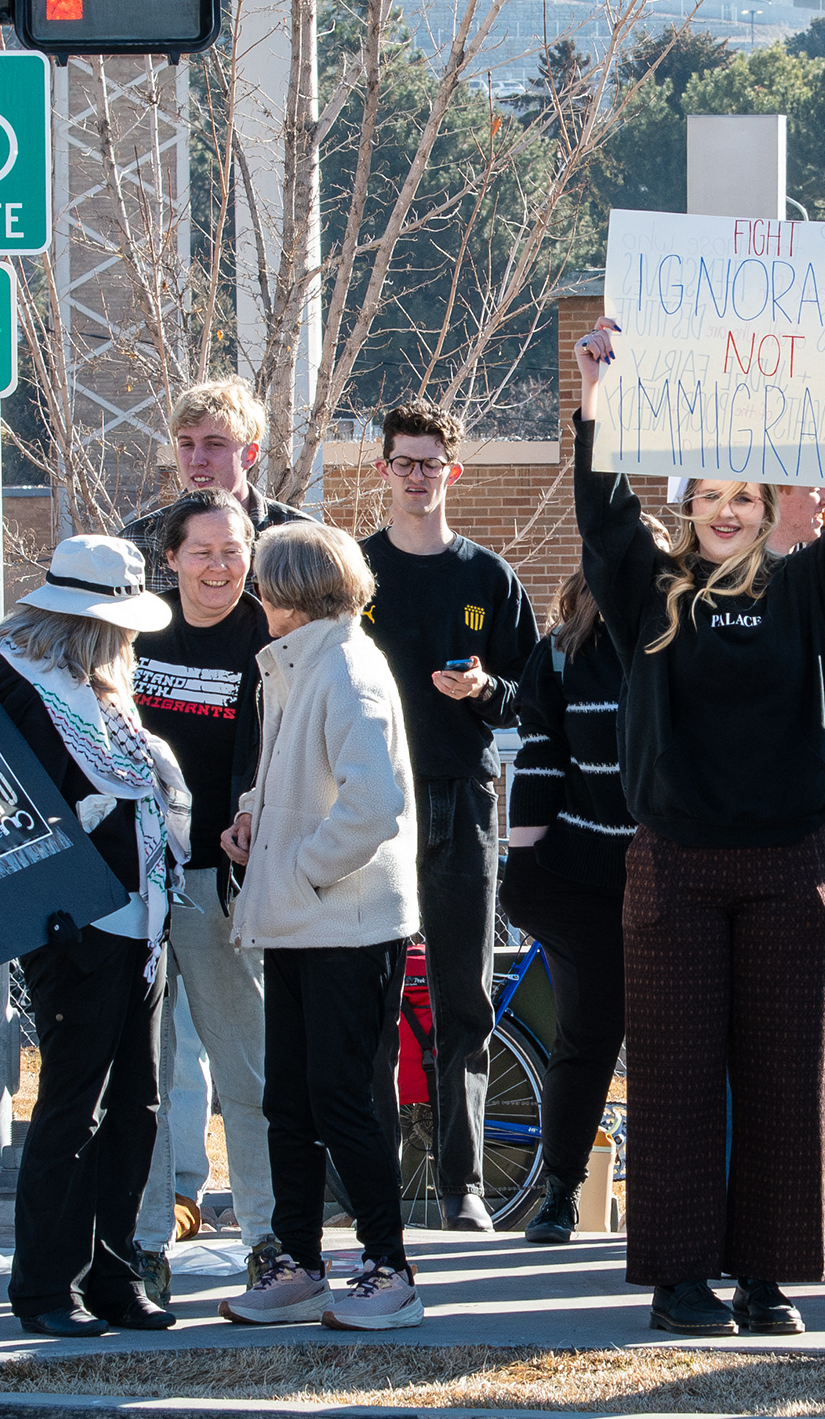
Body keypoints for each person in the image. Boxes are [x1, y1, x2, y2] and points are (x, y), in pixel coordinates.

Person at [575, 317, 825, 1337]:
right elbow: (602, 513)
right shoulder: (648, 594)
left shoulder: (809, 591)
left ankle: (767, 1277)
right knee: (676, 1075)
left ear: (766, 506)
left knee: (790, 1080)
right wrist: (595, 401)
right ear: (690, 509)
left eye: (746, 496)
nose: (731, 511)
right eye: (712, 497)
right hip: (675, 869)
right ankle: (679, 1280)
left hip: (792, 867)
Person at [219, 522, 428, 1331]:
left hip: (343, 922)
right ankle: (301, 1266)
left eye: (262, 580)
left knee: (341, 1101)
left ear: (286, 591)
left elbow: (375, 802)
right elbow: (297, 778)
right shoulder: (305, 663)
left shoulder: (343, 666)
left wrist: (299, 866)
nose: (252, 593)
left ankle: (388, 1268)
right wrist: (251, 822)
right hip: (305, 921)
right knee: (293, 1104)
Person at [0, 536, 184, 1338]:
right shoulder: (19, 685)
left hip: (138, 919)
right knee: (73, 1106)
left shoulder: (93, 685)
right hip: (75, 923)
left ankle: (112, 1273)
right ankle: (43, 1286)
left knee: (134, 1105)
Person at [355, 399, 540, 1232]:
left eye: (431, 462)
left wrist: (485, 691)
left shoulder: (487, 577)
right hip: (368, 807)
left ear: (451, 473)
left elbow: (534, 696)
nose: (417, 475)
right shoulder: (351, 575)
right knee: (371, 993)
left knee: (463, 996)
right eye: (404, 461)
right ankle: (370, 1185)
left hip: (462, 800)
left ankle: (463, 1185)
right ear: (384, 469)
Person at [131, 491, 278, 1272]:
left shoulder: (269, 634)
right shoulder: (137, 630)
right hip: (139, 884)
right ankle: (148, 1240)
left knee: (245, 1073)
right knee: (146, 1079)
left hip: (223, 886)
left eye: (234, 550)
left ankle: (266, 1239)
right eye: (203, 551)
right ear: (172, 558)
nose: (220, 567)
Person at [499, 570, 632, 1243]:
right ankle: (560, 1193)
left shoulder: (679, 647)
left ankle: (677, 1199)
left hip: (673, 875)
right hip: (582, 880)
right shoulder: (560, 655)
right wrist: (522, 866)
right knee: (589, 1034)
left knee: (680, 1043)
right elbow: (541, 757)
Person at [120, 375, 314, 574]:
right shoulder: (137, 544)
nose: (197, 459)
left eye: (213, 444)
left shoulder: (303, 544)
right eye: (186, 444)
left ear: (250, 455)